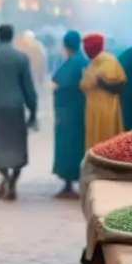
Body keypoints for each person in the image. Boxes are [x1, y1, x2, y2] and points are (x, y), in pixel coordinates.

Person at [0, 24, 38, 201]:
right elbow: (28, 87)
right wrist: (33, 109)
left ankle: (5, 177)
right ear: (12, 36)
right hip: (16, 107)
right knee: (18, 147)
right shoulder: (21, 58)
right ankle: (13, 181)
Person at [52, 31, 89, 199]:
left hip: (68, 111)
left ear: (66, 46)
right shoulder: (84, 61)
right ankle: (77, 181)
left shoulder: (74, 62)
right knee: (78, 145)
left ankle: (68, 184)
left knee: (67, 147)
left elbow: (59, 81)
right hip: (80, 110)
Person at [81, 33, 126, 149]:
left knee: (106, 137)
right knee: (93, 137)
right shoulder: (92, 63)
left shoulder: (109, 61)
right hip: (93, 107)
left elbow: (118, 85)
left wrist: (99, 81)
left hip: (107, 107)